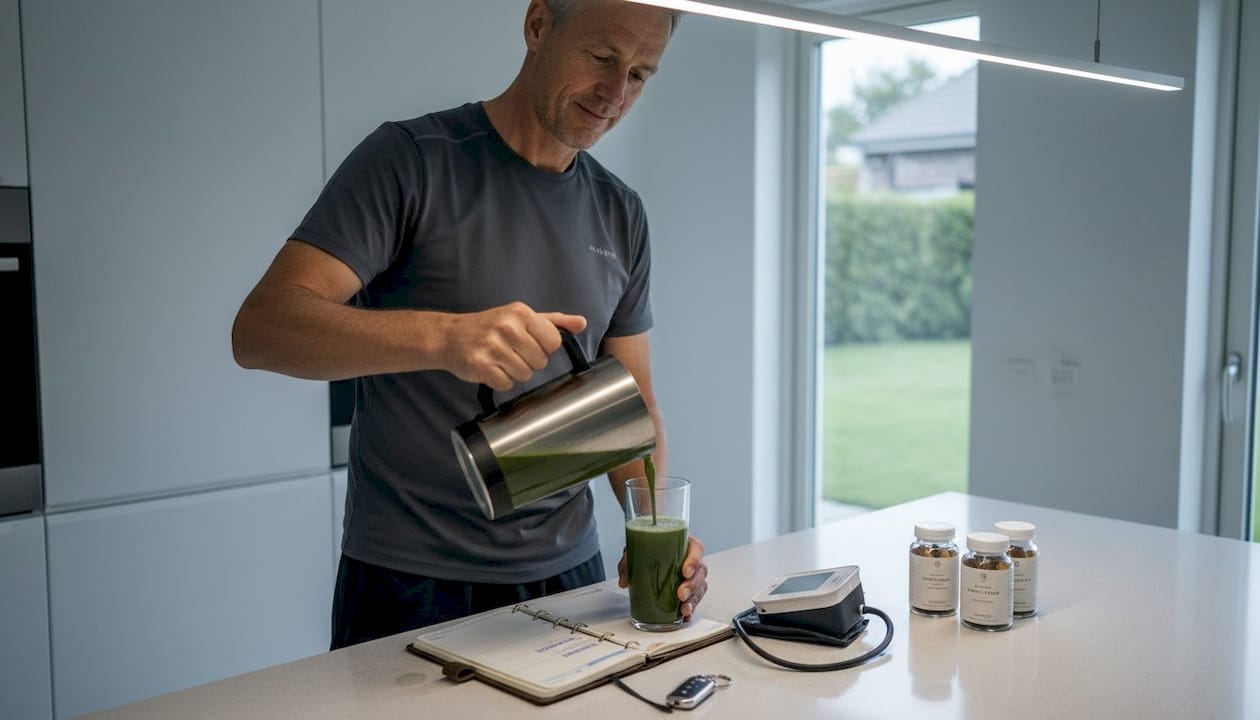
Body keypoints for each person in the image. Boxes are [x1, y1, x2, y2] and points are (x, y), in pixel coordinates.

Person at [231, 0, 708, 649]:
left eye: (640, 75)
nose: (615, 93)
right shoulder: (410, 161)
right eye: (602, 59)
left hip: (570, 577)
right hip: (410, 584)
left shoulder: (620, 213)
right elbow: (261, 328)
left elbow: (635, 400)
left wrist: (653, 533)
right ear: (538, 24)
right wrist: (445, 338)